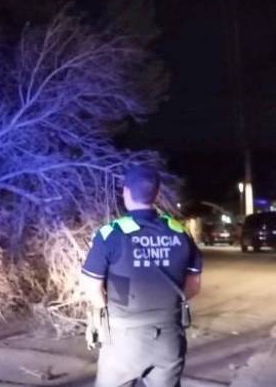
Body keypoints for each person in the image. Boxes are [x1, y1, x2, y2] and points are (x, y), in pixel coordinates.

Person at [81, 166, 203, 387]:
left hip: (124, 341)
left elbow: (92, 288)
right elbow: (193, 286)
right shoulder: (180, 233)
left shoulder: (111, 234)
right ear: (156, 195)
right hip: (169, 337)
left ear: (126, 192)